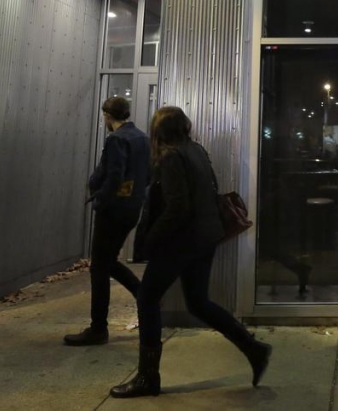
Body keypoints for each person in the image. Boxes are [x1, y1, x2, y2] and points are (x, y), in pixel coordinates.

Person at [110, 106, 272, 399]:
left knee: (147, 298)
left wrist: (150, 240)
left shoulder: (171, 157)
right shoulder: (196, 150)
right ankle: (253, 348)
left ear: (160, 130)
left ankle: (148, 378)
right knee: (198, 302)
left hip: (180, 242)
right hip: (204, 238)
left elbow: (178, 207)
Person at [65, 96, 150, 346]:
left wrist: (100, 200)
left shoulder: (116, 139)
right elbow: (148, 174)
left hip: (112, 210)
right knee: (108, 263)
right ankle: (146, 298)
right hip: (132, 208)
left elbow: (114, 174)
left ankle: (98, 328)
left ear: (107, 115)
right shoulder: (142, 138)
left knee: (99, 268)